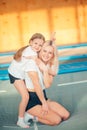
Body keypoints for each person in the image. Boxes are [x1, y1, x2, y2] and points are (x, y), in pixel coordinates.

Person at [23, 40, 70, 126]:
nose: (46, 55)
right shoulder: (32, 63)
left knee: (66, 115)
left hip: (43, 96)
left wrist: (45, 69)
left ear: (52, 55)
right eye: (44, 51)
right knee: (56, 120)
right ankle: (30, 114)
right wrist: (44, 103)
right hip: (31, 101)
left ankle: (36, 114)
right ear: (40, 50)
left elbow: (47, 85)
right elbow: (37, 86)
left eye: (50, 53)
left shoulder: (49, 65)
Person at [8, 33, 45, 128]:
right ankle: (20, 120)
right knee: (25, 96)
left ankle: (27, 113)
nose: (37, 46)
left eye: (40, 45)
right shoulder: (30, 53)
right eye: (35, 43)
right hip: (15, 75)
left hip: (19, 73)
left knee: (27, 94)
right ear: (30, 42)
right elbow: (36, 60)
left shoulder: (29, 49)